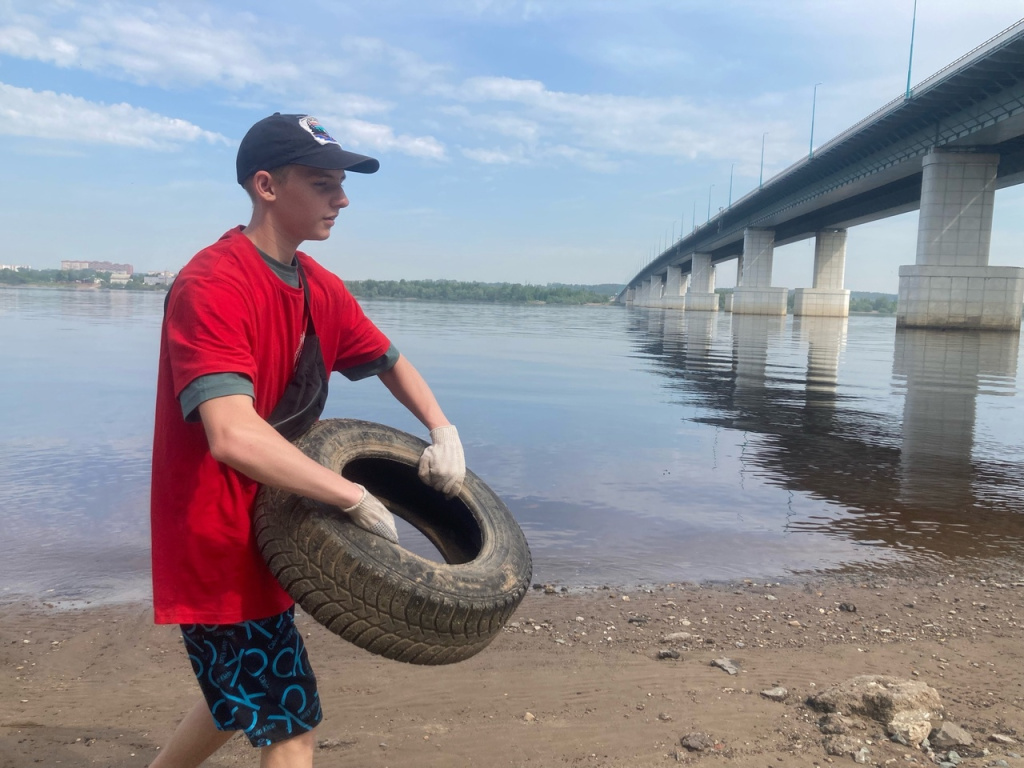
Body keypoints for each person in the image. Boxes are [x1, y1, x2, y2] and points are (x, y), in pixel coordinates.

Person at [148, 113, 466, 768]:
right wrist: (350, 496)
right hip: (215, 538)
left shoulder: (319, 286)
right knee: (288, 721)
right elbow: (232, 435)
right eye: (324, 184)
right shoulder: (212, 284)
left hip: (274, 523)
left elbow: (388, 360)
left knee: (235, 698)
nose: (342, 200)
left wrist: (442, 429)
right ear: (266, 185)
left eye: (341, 185)